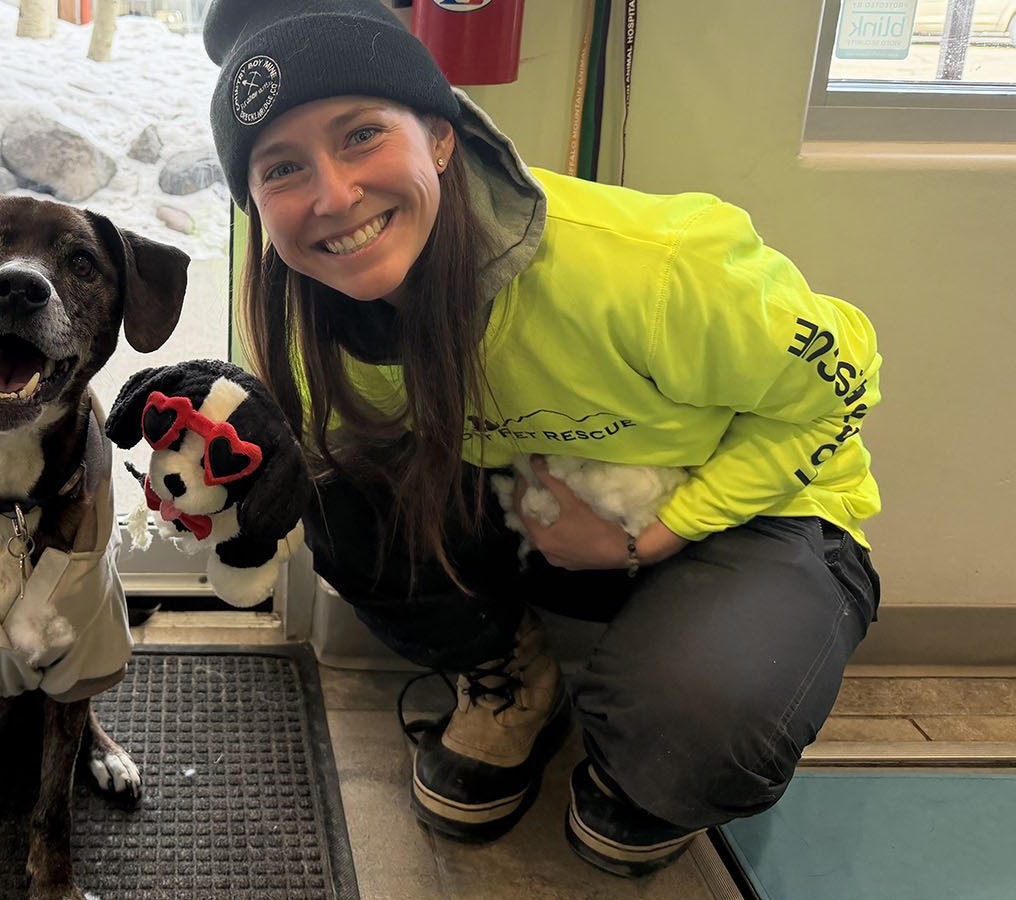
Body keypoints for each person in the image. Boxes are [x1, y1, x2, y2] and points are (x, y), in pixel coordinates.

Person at [201, 0, 883, 878]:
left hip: (753, 514)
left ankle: (649, 760)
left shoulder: (655, 266)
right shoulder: (320, 317)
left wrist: (656, 532)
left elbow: (846, 382)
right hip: (552, 514)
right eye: (283, 167)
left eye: (363, 134)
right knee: (331, 483)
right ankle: (513, 681)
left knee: (699, 724)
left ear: (442, 135)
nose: (333, 196)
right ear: (254, 204)